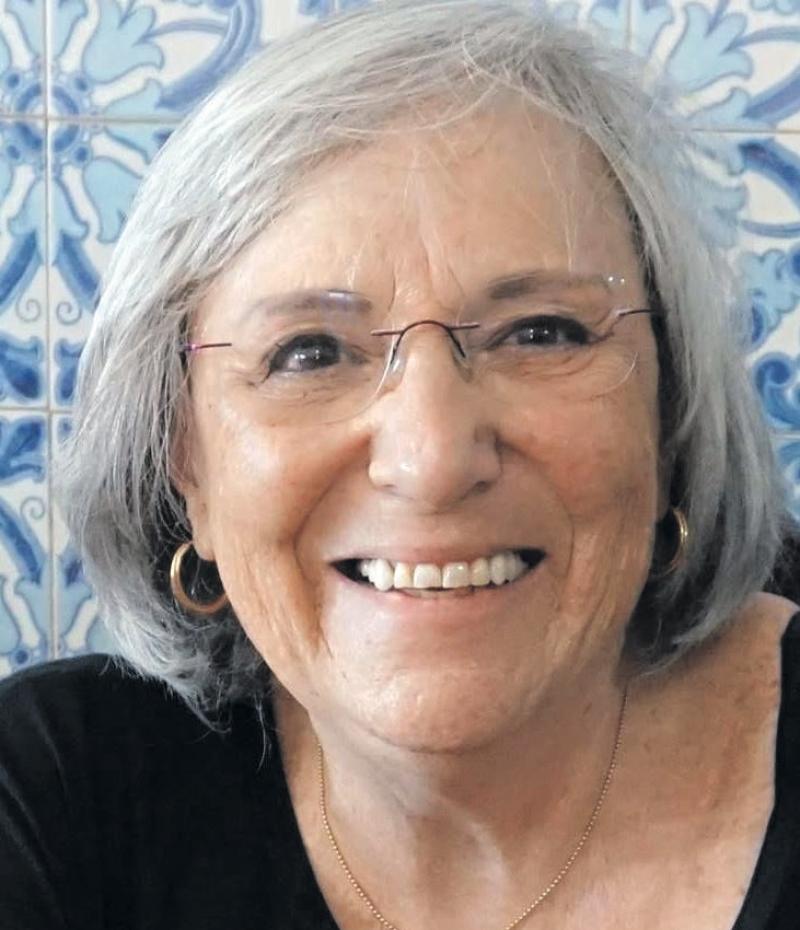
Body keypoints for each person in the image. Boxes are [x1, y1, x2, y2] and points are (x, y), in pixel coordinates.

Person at [1, 1, 798, 927]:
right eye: (309, 352)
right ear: (188, 465)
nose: (431, 458)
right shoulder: (57, 797)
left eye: (540, 332)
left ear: (668, 417)